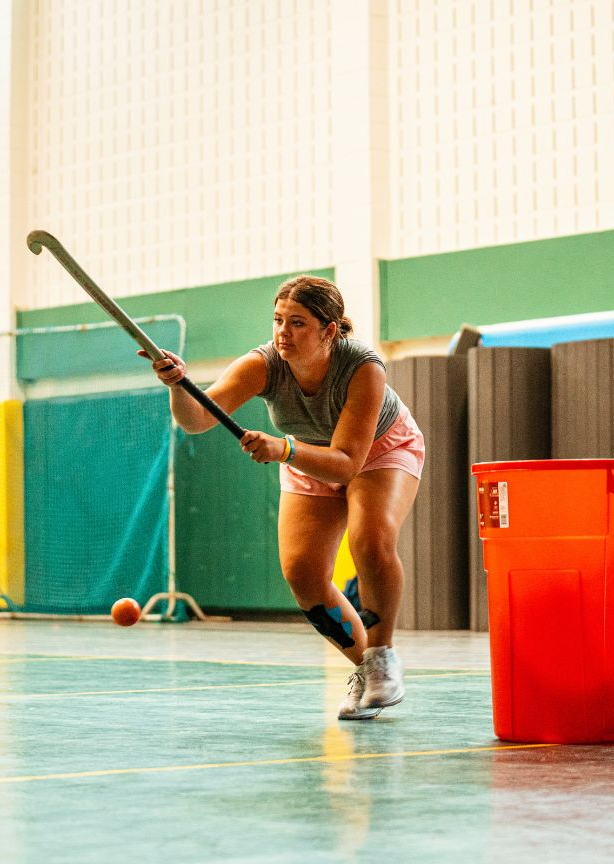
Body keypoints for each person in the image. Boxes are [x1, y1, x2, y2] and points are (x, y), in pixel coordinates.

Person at [144, 275, 423, 720]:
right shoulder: (264, 364)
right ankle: (365, 668)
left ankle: (383, 655)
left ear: (329, 330)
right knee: (303, 575)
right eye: (277, 320)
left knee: (369, 538)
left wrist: (284, 448)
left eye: (297, 323)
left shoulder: (363, 367)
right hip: (306, 455)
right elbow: (196, 419)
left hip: (378, 450)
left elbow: (348, 462)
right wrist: (178, 385)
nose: (282, 333)